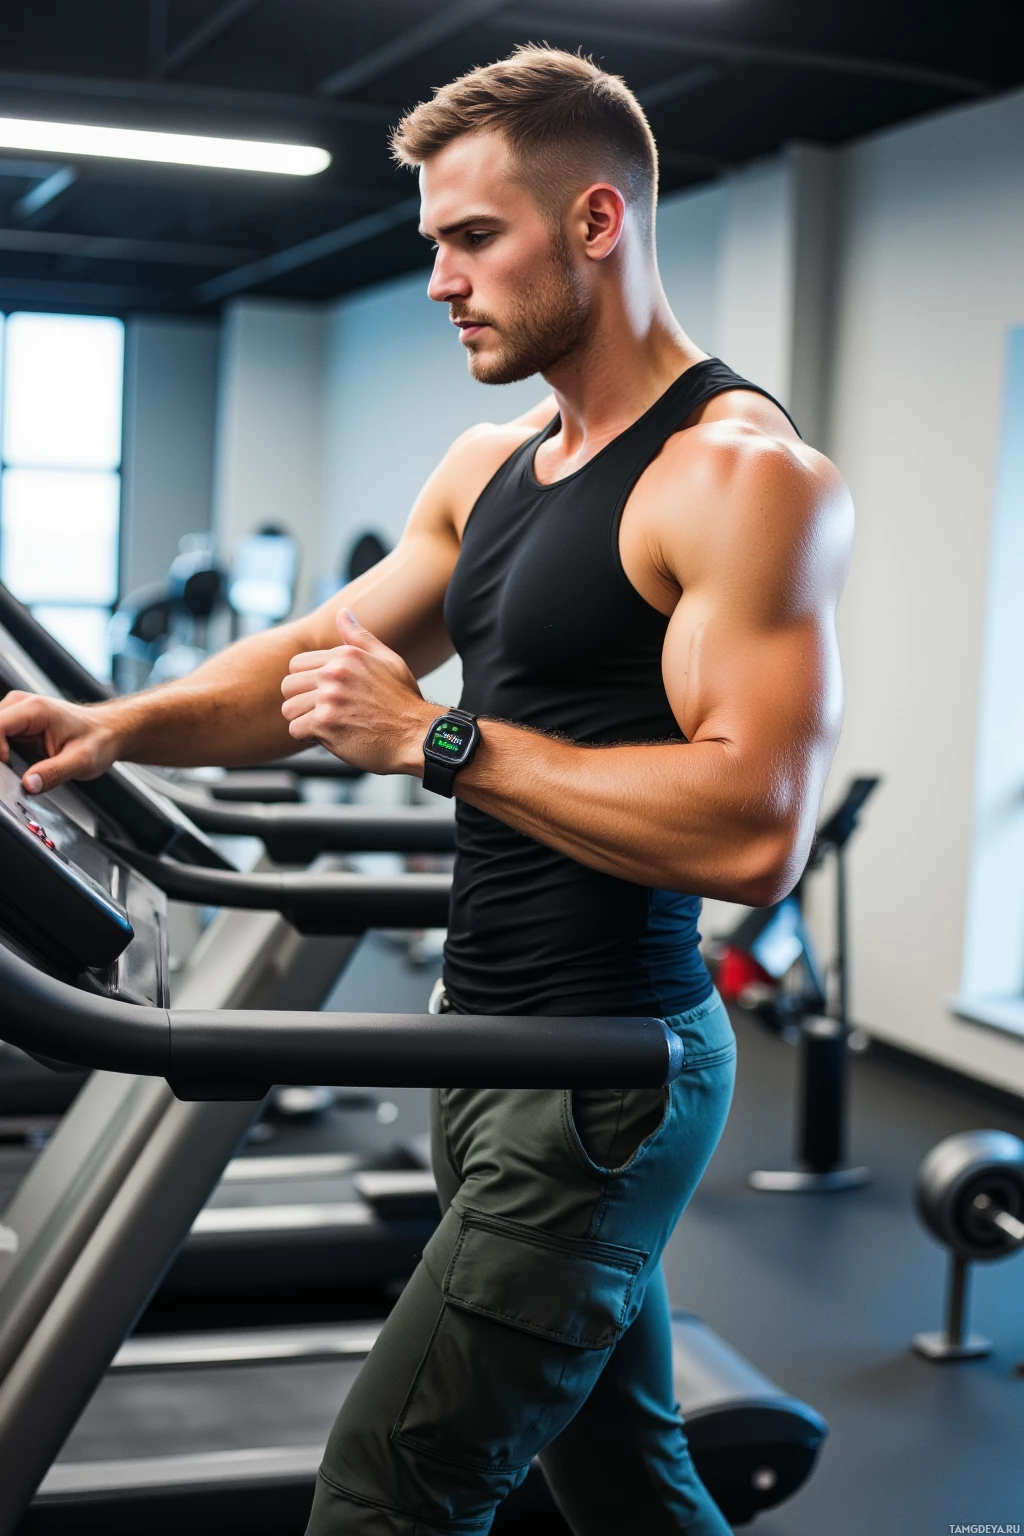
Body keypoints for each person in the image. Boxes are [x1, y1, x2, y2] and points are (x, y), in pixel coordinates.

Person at [0, 46, 852, 1536]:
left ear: (597, 222)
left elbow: (755, 831)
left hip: (610, 1073)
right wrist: (108, 725)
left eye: (474, 239)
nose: (442, 281)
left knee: (386, 1495)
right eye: (432, 246)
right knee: (622, 1474)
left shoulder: (740, 477)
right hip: (485, 1045)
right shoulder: (491, 461)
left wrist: (440, 744)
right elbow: (312, 669)